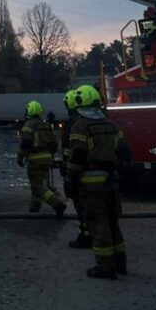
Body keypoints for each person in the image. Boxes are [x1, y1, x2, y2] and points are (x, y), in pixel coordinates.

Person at [65, 84, 131, 280]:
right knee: (113, 223)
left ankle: (104, 267)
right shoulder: (111, 125)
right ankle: (120, 264)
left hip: (91, 184)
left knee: (98, 224)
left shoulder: (80, 126)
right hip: (111, 181)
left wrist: (70, 179)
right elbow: (125, 151)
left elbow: (77, 155)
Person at [17, 100, 66, 217]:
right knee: (38, 184)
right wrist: (51, 156)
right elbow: (54, 143)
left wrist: (20, 158)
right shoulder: (47, 125)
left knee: (37, 186)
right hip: (47, 158)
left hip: (35, 159)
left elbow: (25, 144)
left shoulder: (28, 125)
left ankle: (57, 204)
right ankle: (34, 210)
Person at [61, 89, 92, 248]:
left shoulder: (73, 124)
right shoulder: (98, 120)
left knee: (81, 205)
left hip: (80, 172)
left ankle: (86, 236)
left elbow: (70, 150)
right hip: (102, 171)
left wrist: (67, 172)